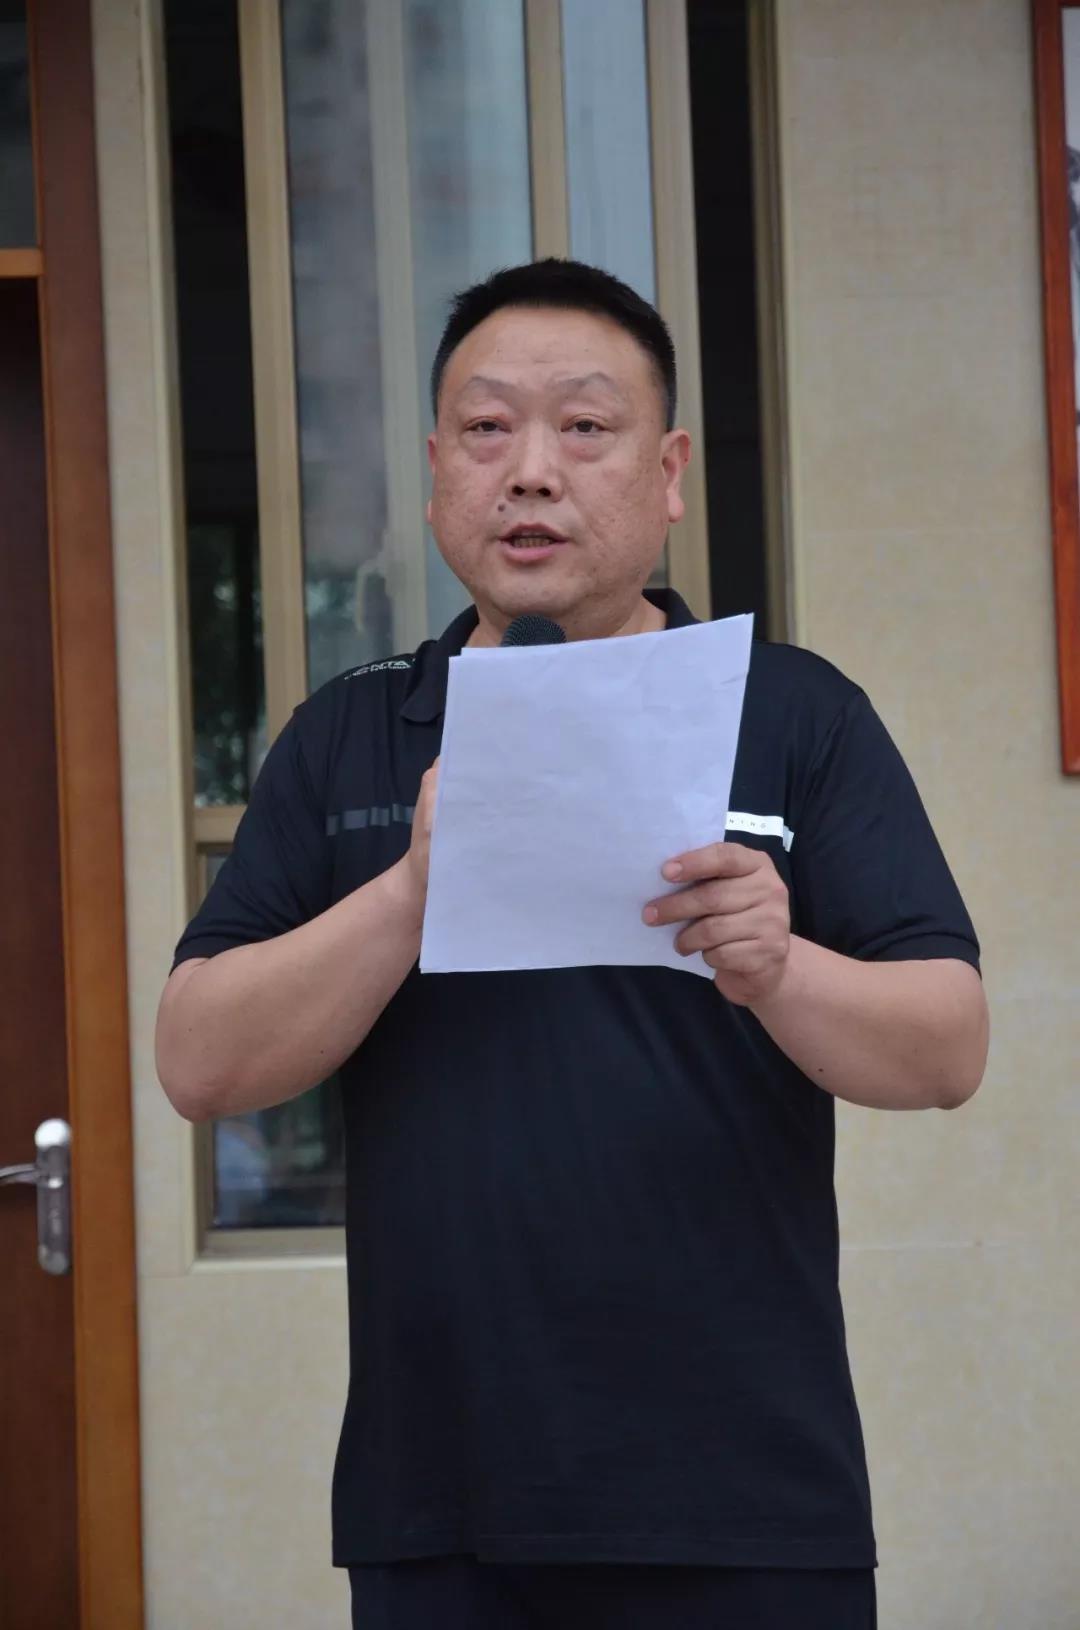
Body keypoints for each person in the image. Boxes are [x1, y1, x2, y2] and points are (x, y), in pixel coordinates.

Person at [156, 259, 988, 1630]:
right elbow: (199, 1061)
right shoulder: (349, 736)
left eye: (584, 427)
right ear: (437, 473)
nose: (531, 470)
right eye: (487, 429)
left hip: (746, 1492)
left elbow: (948, 1045)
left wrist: (780, 966)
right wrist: (410, 892)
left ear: (669, 472)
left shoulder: (794, 713)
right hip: (445, 1500)